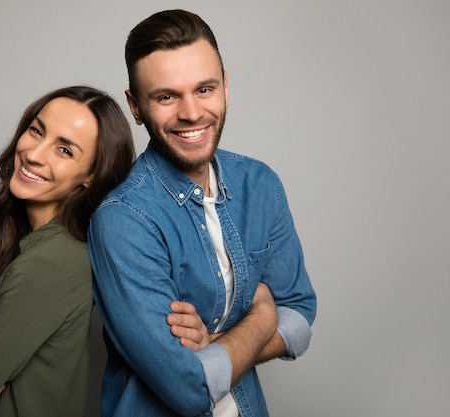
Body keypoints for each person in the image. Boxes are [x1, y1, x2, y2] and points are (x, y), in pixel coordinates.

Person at [87, 9, 317, 417]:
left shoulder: (259, 184)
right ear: (136, 106)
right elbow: (188, 388)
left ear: (226, 86)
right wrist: (262, 315)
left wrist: (218, 344)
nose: (191, 113)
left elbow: (300, 318)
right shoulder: (123, 220)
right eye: (166, 96)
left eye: (205, 89)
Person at [0, 85, 135, 417]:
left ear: (91, 176)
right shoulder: (46, 246)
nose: (35, 154)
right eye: (36, 131)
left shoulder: (48, 265)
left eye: (65, 151)